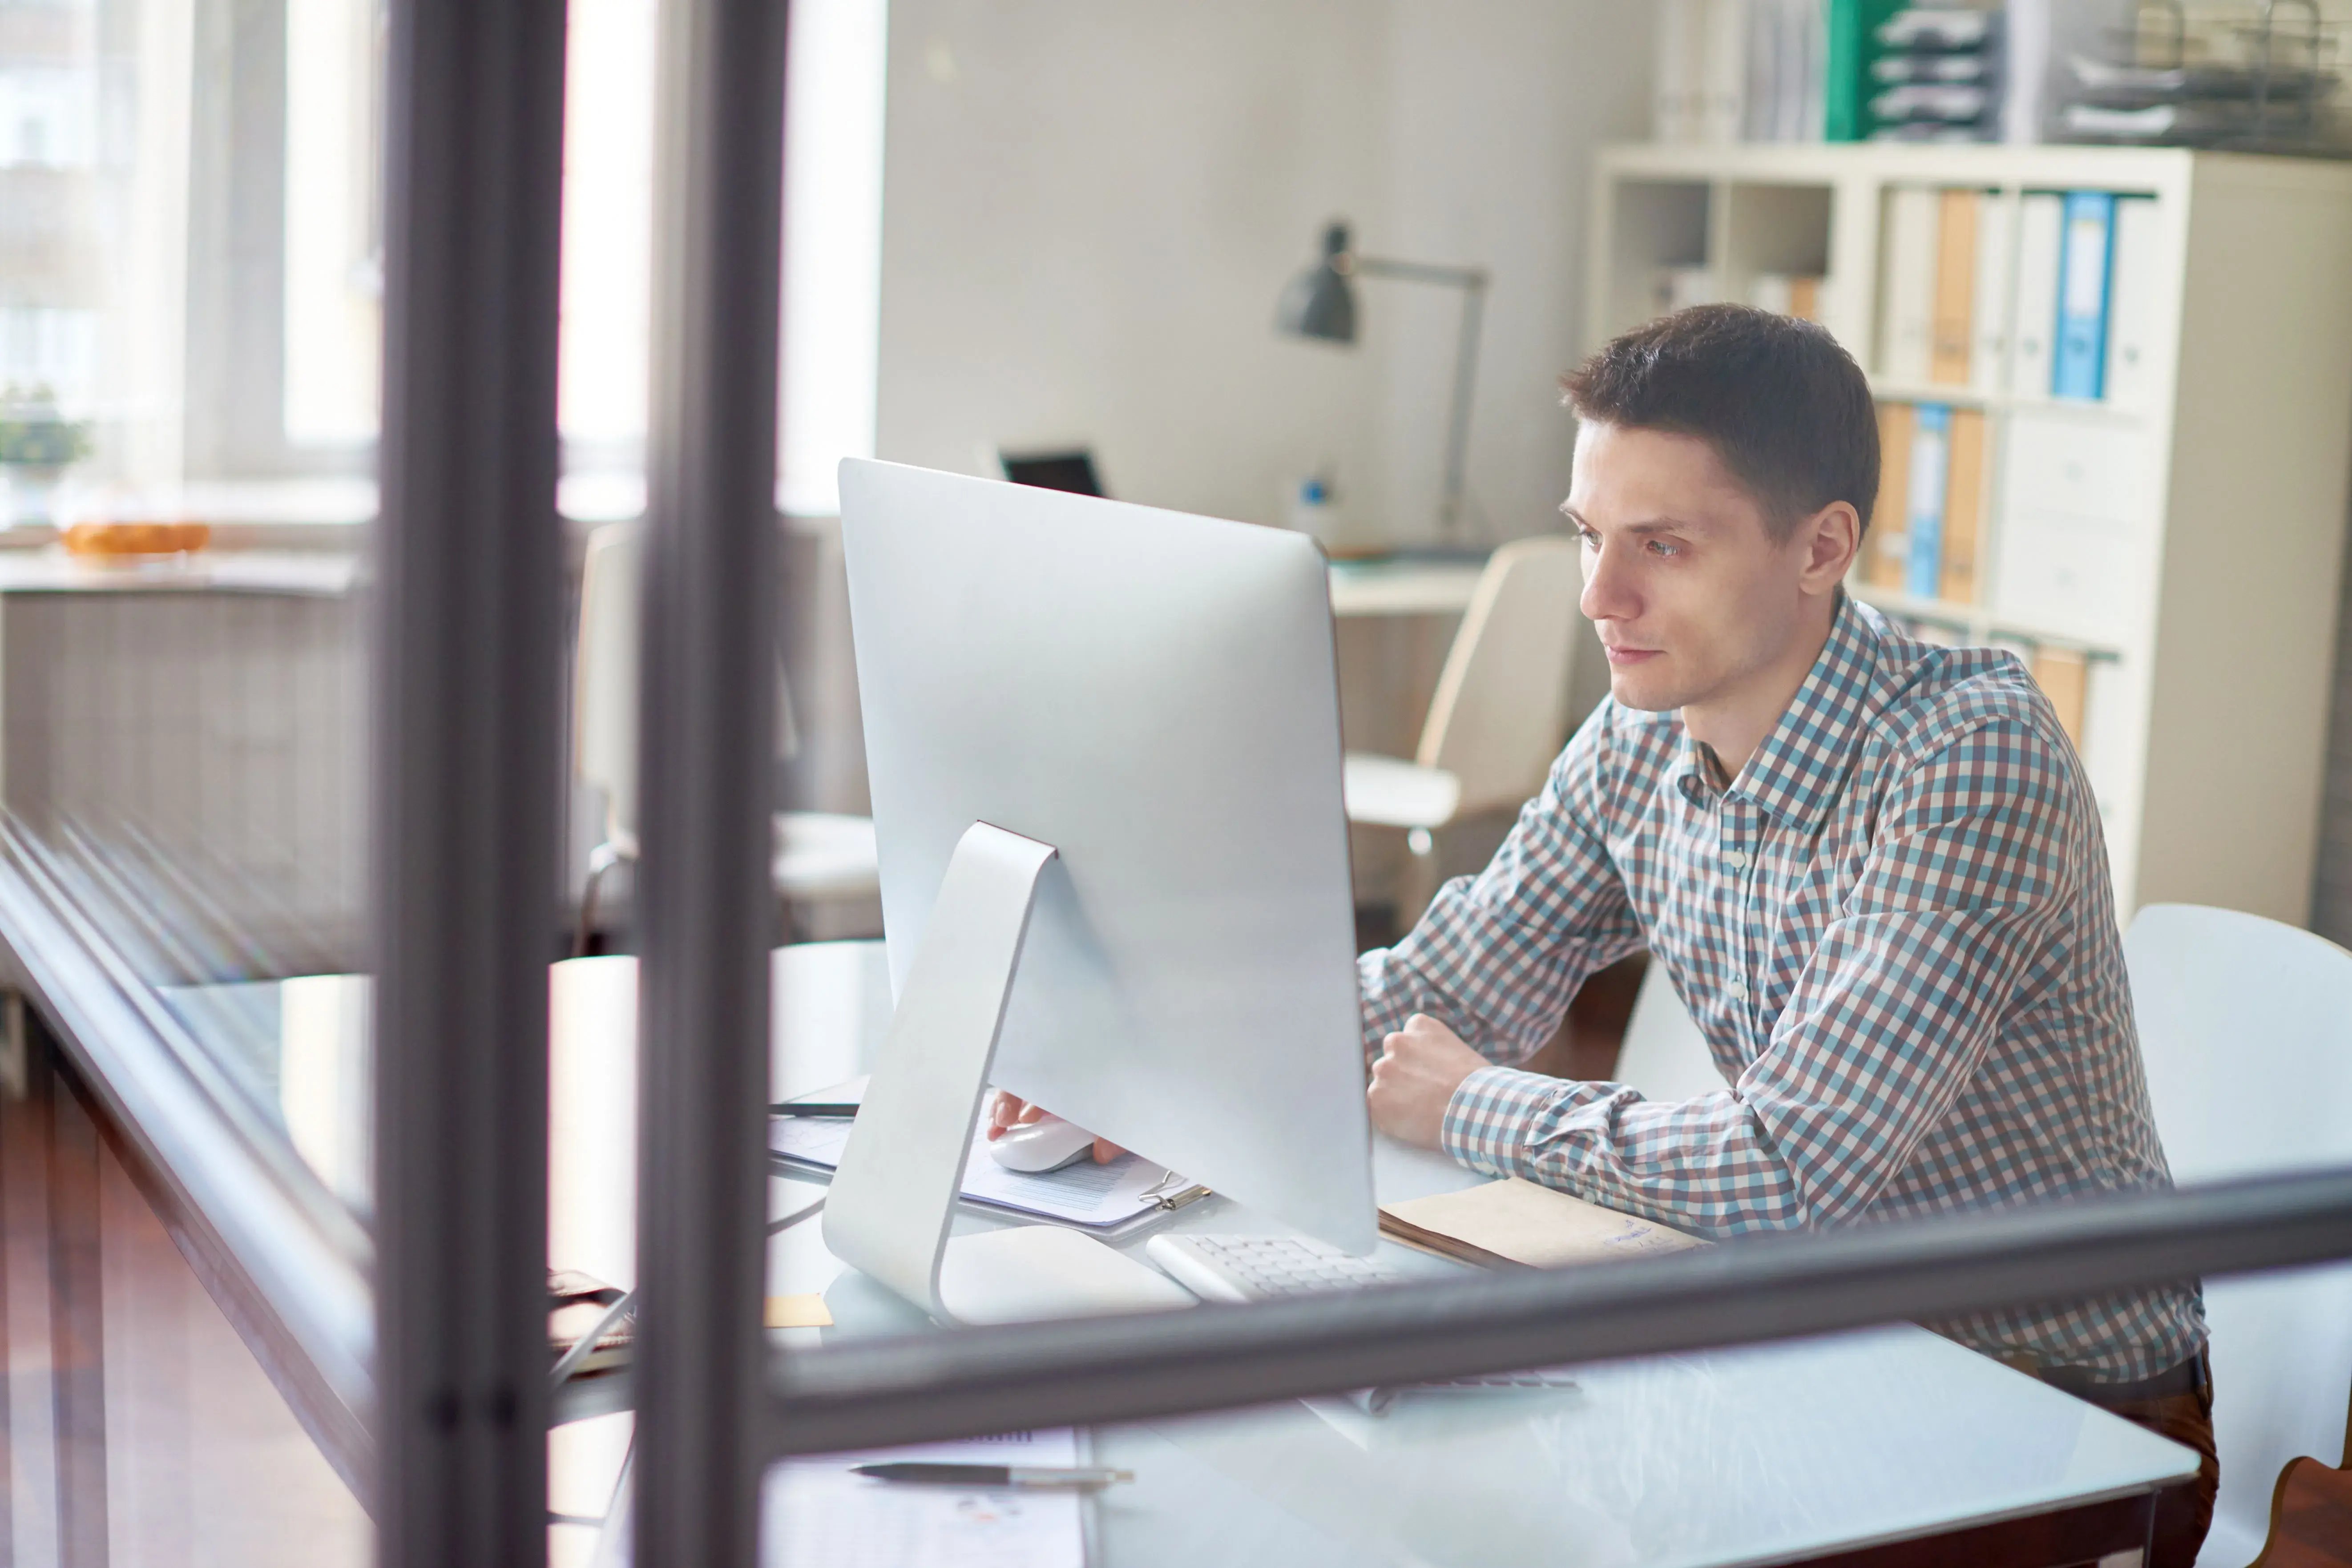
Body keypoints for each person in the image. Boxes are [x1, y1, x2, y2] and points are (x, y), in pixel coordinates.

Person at [1357, 302, 2215, 1565]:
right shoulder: (1645, 729)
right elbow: (1445, 985)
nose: (1601, 596)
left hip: (2056, 1405)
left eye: (1662, 546)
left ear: (1821, 548)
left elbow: (1786, 1174)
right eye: (1592, 536)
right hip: (1827, 1337)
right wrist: (1133, 1052)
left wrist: (1472, 1104)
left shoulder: (1969, 760)